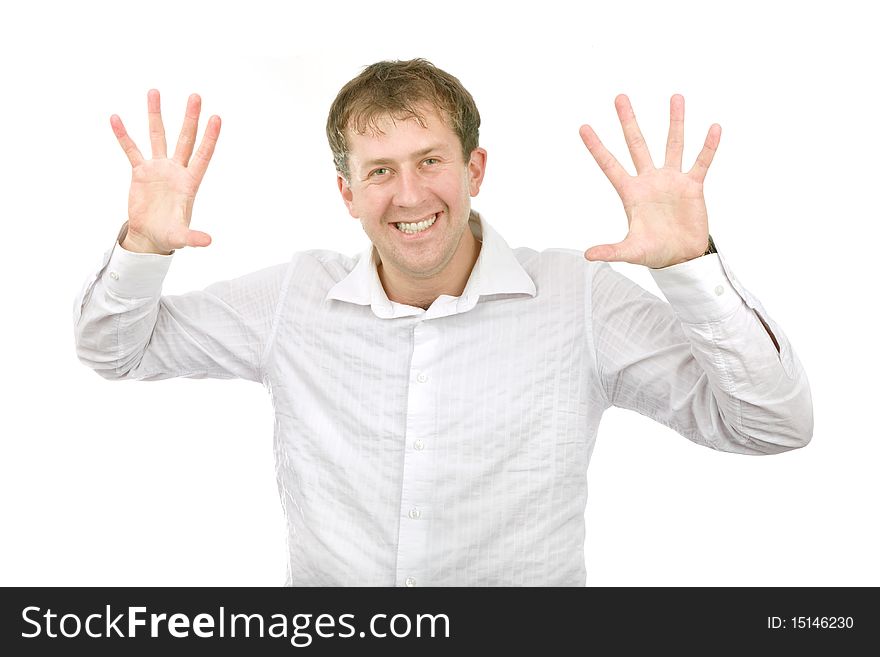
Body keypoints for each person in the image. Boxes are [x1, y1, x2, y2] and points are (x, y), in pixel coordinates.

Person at [74, 58, 812, 586]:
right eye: (380, 169)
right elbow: (116, 349)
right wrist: (140, 247)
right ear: (348, 191)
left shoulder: (577, 296)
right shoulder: (292, 300)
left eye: (430, 160)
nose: (409, 192)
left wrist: (691, 266)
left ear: (475, 170)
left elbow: (770, 424)